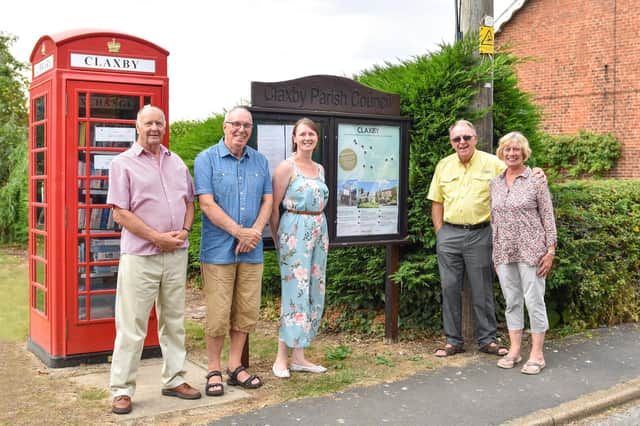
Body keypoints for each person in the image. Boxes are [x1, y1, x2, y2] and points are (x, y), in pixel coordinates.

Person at [108, 105, 201, 415]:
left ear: (165, 126)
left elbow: (190, 202)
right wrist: (156, 237)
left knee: (174, 321)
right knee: (132, 325)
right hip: (141, 255)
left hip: (175, 254)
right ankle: (121, 389)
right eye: (148, 122)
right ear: (138, 126)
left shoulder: (177, 163)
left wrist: (185, 230)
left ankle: (174, 378)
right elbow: (119, 212)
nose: (154, 128)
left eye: (159, 123)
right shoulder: (123, 164)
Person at [194, 106, 273, 396]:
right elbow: (206, 204)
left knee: (246, 311)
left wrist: (253, 233)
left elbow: (268, 200)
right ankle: (213, 368)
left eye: (247, 126)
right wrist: (238, 231)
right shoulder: (207, 159)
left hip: (251, 251)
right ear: (224, 126)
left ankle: (235, 365)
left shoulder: (260, 161)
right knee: (217, 314)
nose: (241, 130)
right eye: (236, 124)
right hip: (218, 251)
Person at [428, 119, 510, 358]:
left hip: (480, 234)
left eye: (466, 138)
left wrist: (537, 172)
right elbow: (437, 201)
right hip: (450, 235)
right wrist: (440, 232)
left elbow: (516, 177)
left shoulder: (493, 164)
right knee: (449, 288)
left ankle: (488, 340)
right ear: (452, 142)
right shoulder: (444, 165)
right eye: (457, 139)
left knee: (482, 288)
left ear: (475, 138)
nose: (461, 142)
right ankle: (453, 341)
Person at [490, 131, 556, 374]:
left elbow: (548, 217)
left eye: (516, 149)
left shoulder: (536, 180)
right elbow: (494, 220)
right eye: (507, 149)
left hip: (532, 251)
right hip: (504, 251)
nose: (511, 153)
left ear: (524, 152)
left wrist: (550, 250)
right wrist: (495, 254)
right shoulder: (495, 183)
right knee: (512, 301)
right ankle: (515, 349)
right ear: (501, 153)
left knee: (534, 300)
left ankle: (537, 354)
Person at [270, 118, 329, 379]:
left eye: (311, 134)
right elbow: (274, 207)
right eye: (302, 134)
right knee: (294, 292)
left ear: (317, 138)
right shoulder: (287, 167)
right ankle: (281, 357)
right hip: (293, 232)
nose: (307, 138)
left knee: (314, 291)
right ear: (294, 138)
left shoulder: (320, 168)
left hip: (318, 230)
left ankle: (299, 356)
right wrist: (277, 238)